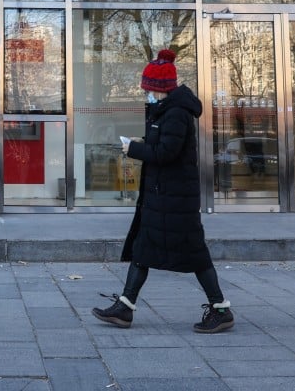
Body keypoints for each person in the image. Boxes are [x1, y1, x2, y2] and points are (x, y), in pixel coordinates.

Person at [92, 49, 234, 334]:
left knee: (195, 254)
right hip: (162, 196)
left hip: (175, 198)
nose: (147, 94)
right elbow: (162, 143)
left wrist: (134, 149)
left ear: (160, 89)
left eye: (148, 89)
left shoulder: (177, 113)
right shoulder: (165, 111)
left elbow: (168, 152)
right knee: (143, 248)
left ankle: (220, 309)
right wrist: (141, 140)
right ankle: (125, 307)